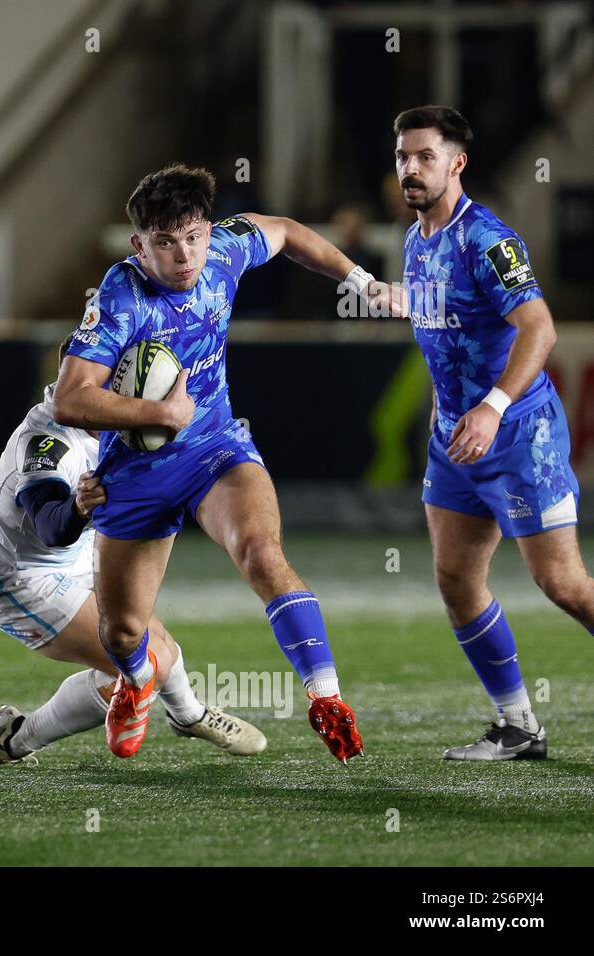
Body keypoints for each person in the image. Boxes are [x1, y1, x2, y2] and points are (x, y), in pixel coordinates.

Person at [57, 164, 402, 762]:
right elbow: (70, 398)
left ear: (210, 233)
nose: (184, 256)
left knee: (262, 553)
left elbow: (287, 231)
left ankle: (326, 697)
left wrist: (362, 281)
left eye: (193, 237)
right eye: (165, 242)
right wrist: (159, 413)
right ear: (139, 245)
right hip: (135, 474)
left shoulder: (224, 252)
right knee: (122, 631)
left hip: (215, 450)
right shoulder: (120, 297)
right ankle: (136, 681)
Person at [392, 105, 590, 760]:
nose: (412, 168)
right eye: (403, 156)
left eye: (426, 156)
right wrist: (446, 415)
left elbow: (540, 328)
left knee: (563, 584)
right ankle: (519, 726)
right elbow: (444, 342)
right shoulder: (415, 241)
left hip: (518, 434)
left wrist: (493, 407)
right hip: (455, 442)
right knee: (456, 579)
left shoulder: (488, 239)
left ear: (458, 163)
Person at [0, 337, 266, 765]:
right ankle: (15, 740)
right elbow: (52, 527)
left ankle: (188, 716)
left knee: (153, 642)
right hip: (18, 575)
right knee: (147, 662)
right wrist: (78, 507)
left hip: (73, 555)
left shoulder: (118, 427)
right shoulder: (49, 442)